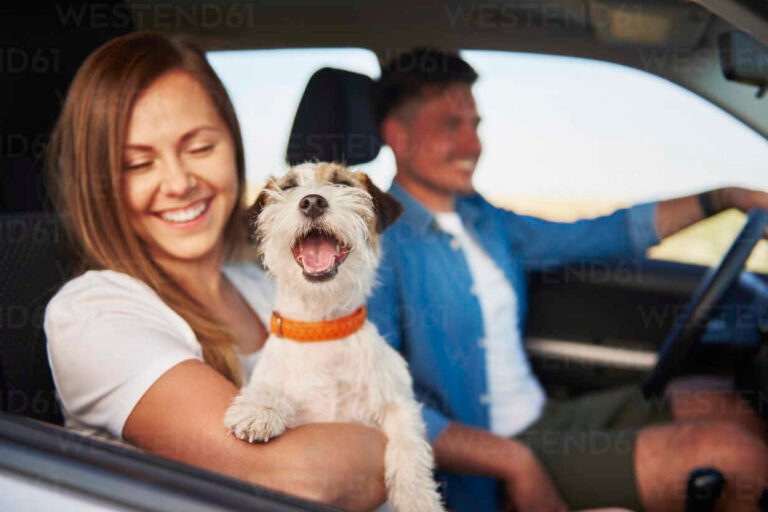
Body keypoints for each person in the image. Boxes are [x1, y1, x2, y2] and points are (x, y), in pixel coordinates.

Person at [367, 48, 768, 512]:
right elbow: (380, 404)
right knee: (733, 456)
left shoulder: (483, 221)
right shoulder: (377, 245)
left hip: (544, 419)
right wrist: (514, 462)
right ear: (398, 135)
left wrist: (722, 198)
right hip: (481, 464)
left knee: (722, 403)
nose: (472, 144)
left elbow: (598, 234)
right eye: (450, 125)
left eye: (474, 125)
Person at [43, 31, 386, 512]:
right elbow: (298, 479)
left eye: (200, 148)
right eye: (138, 163)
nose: (180, 183)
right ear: (99, 185)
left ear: (233, 146)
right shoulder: (92, 313)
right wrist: (398, 447)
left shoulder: (264, 285)